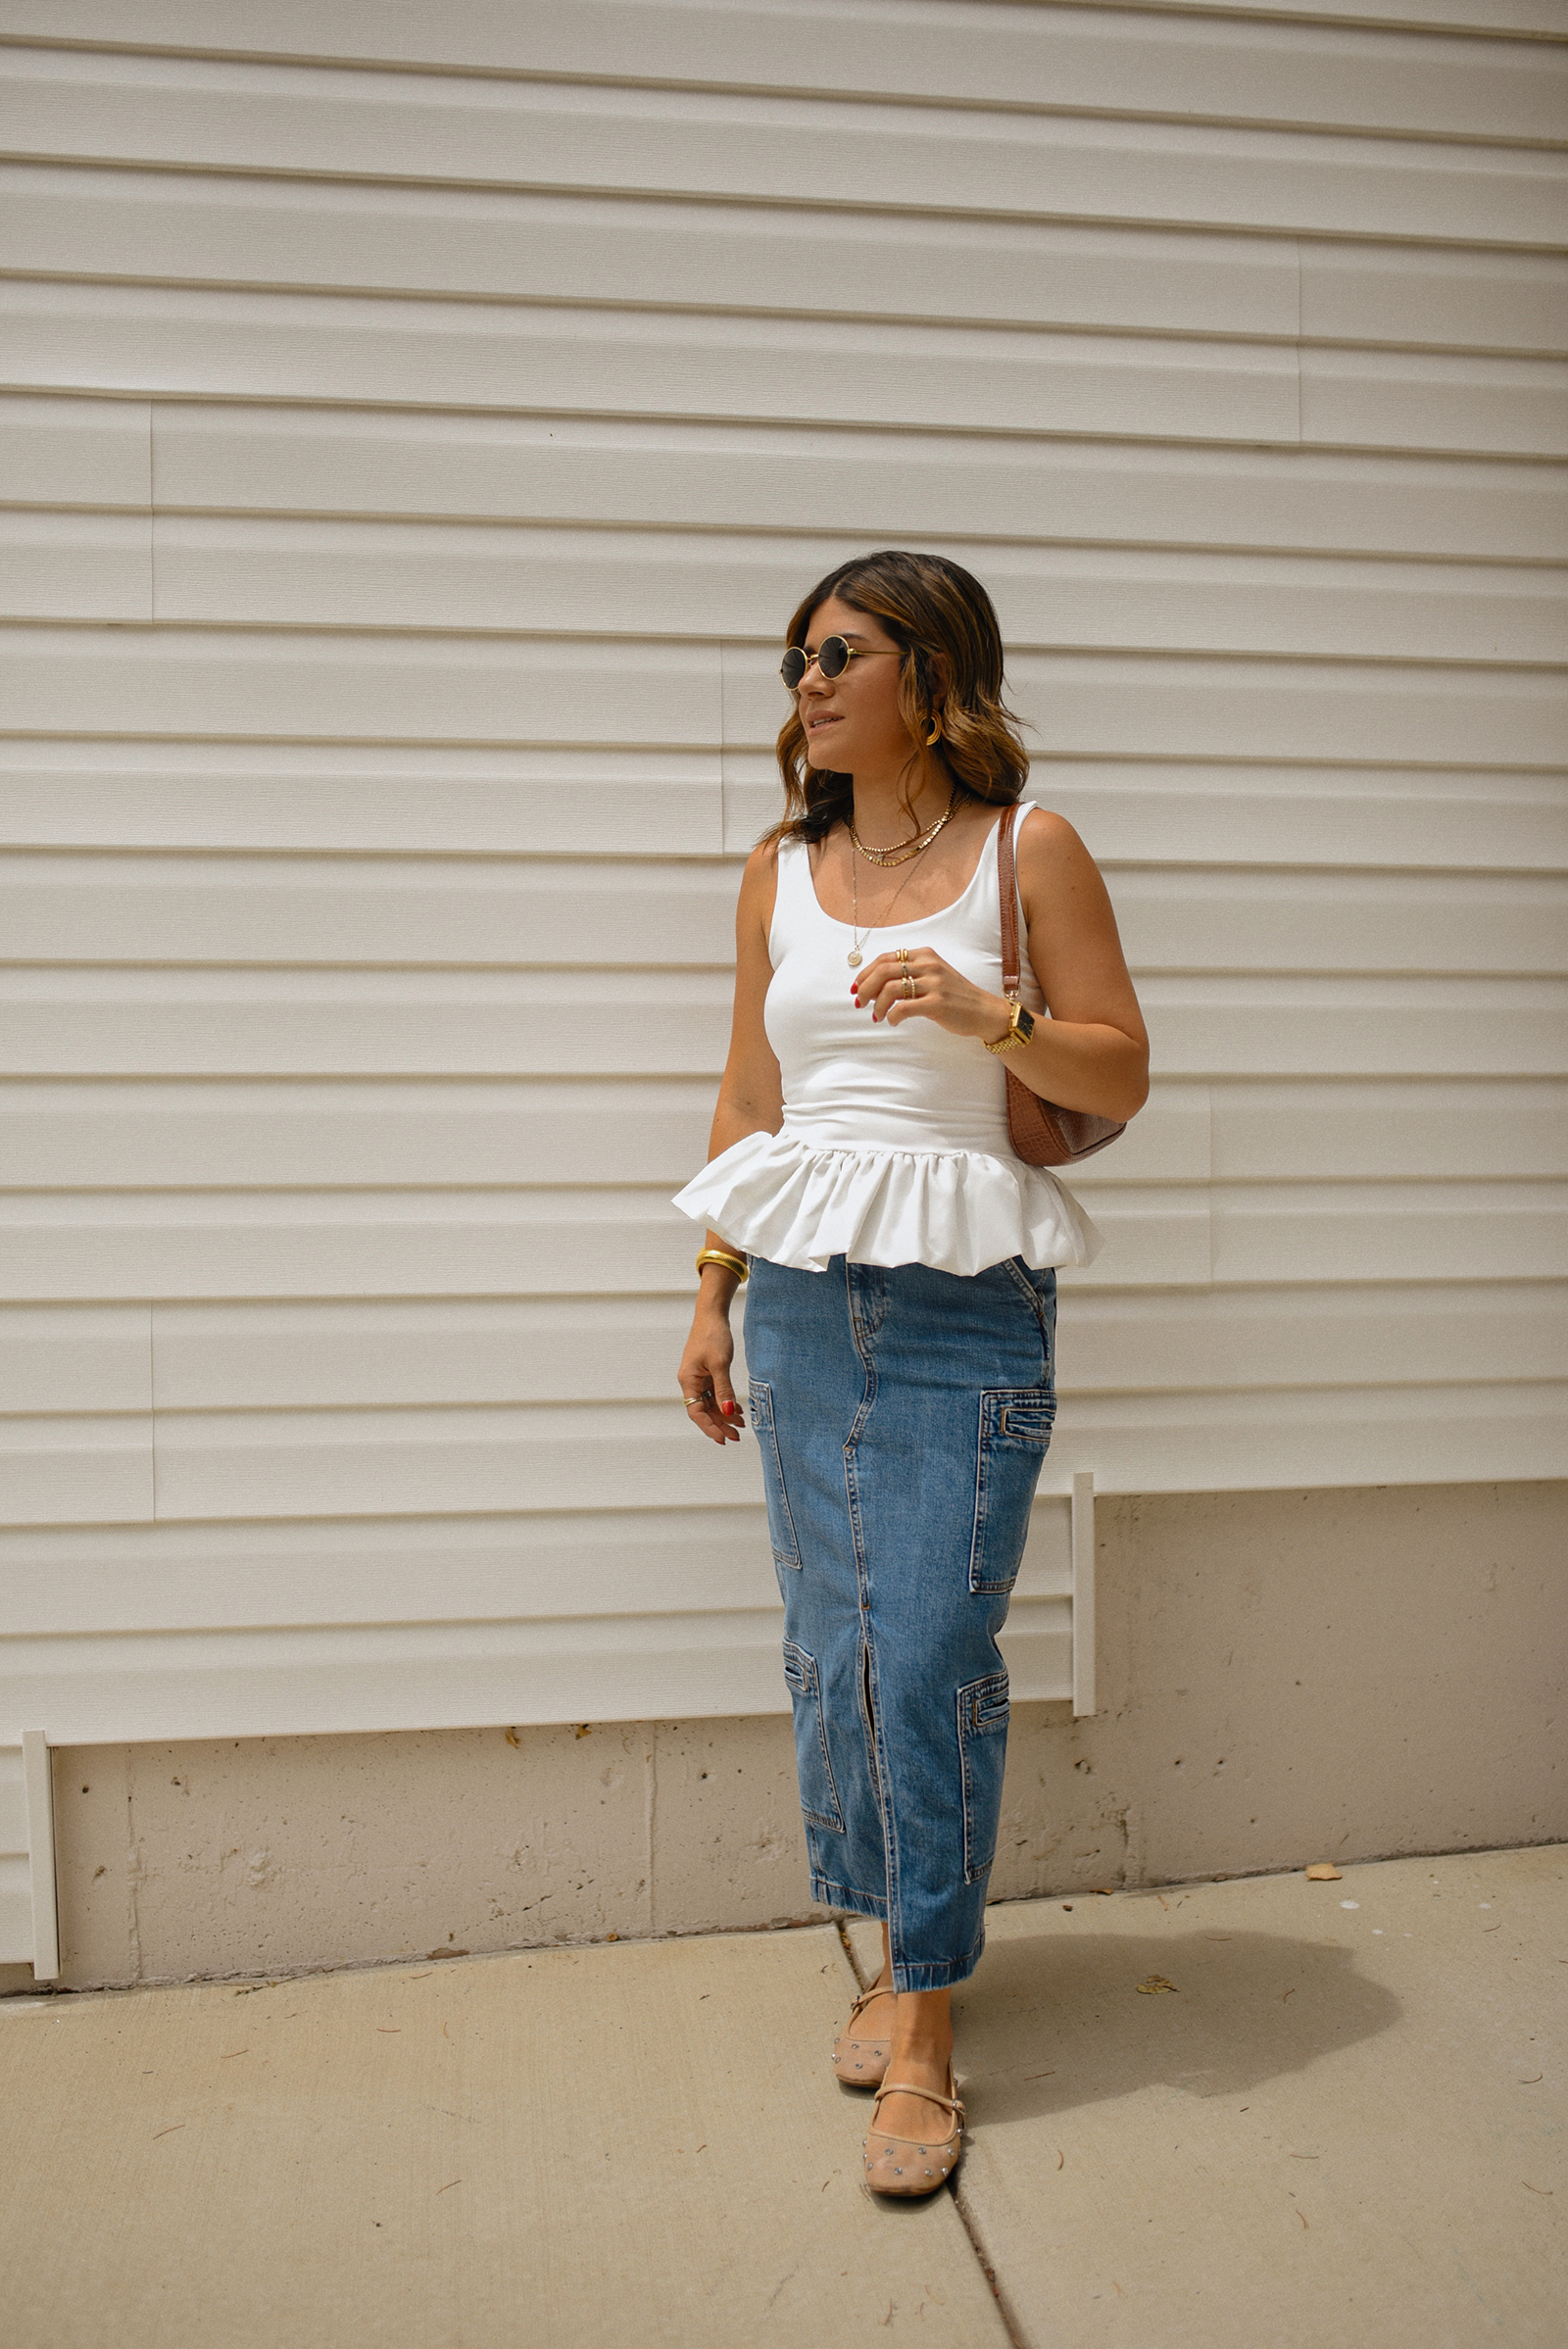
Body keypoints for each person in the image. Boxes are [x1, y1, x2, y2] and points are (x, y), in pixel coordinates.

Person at [672, 550, 1149, 2198]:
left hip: (965, 1306)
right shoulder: (776, 872)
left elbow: (1120, 1065)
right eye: (797, 656)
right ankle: (892, 1946)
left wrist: (985, 1010)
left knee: (935, 1647)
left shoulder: (1031, 851)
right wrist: (711, 1286)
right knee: (833, 1653)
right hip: (797, 1298)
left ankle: (930, 2020)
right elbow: (751, 1096)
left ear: (931, 676)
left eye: (839, 652)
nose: (806, 680)